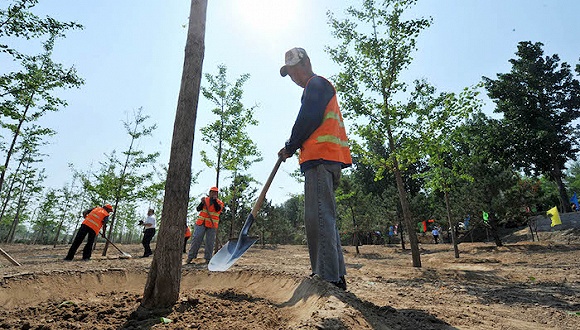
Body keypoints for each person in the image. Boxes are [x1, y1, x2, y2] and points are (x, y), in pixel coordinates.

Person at [278, 47, 352, 290]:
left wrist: (290, 146)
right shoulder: (318, 87)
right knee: (325, 218)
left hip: (321, 160)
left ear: (307, 63)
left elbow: (307, 118)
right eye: (289, 74)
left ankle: (327, 278)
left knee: (317, 218)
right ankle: (336, 276)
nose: (293, 78)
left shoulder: (317, 84)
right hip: (326, 160)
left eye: (295, 71)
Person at [185, 187, 225, 264]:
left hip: (212, 225)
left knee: (210, 242)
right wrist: (202, 202)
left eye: (215, 193)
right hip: (201, 223)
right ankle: (191, 257)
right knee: (196, 239)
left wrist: (214, 201)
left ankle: (208, 259)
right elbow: (198, 209)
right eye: (212, 192)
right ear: (209, 193)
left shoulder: (220, 203)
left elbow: (217, 209)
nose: (213, 194)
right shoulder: (205, 200)